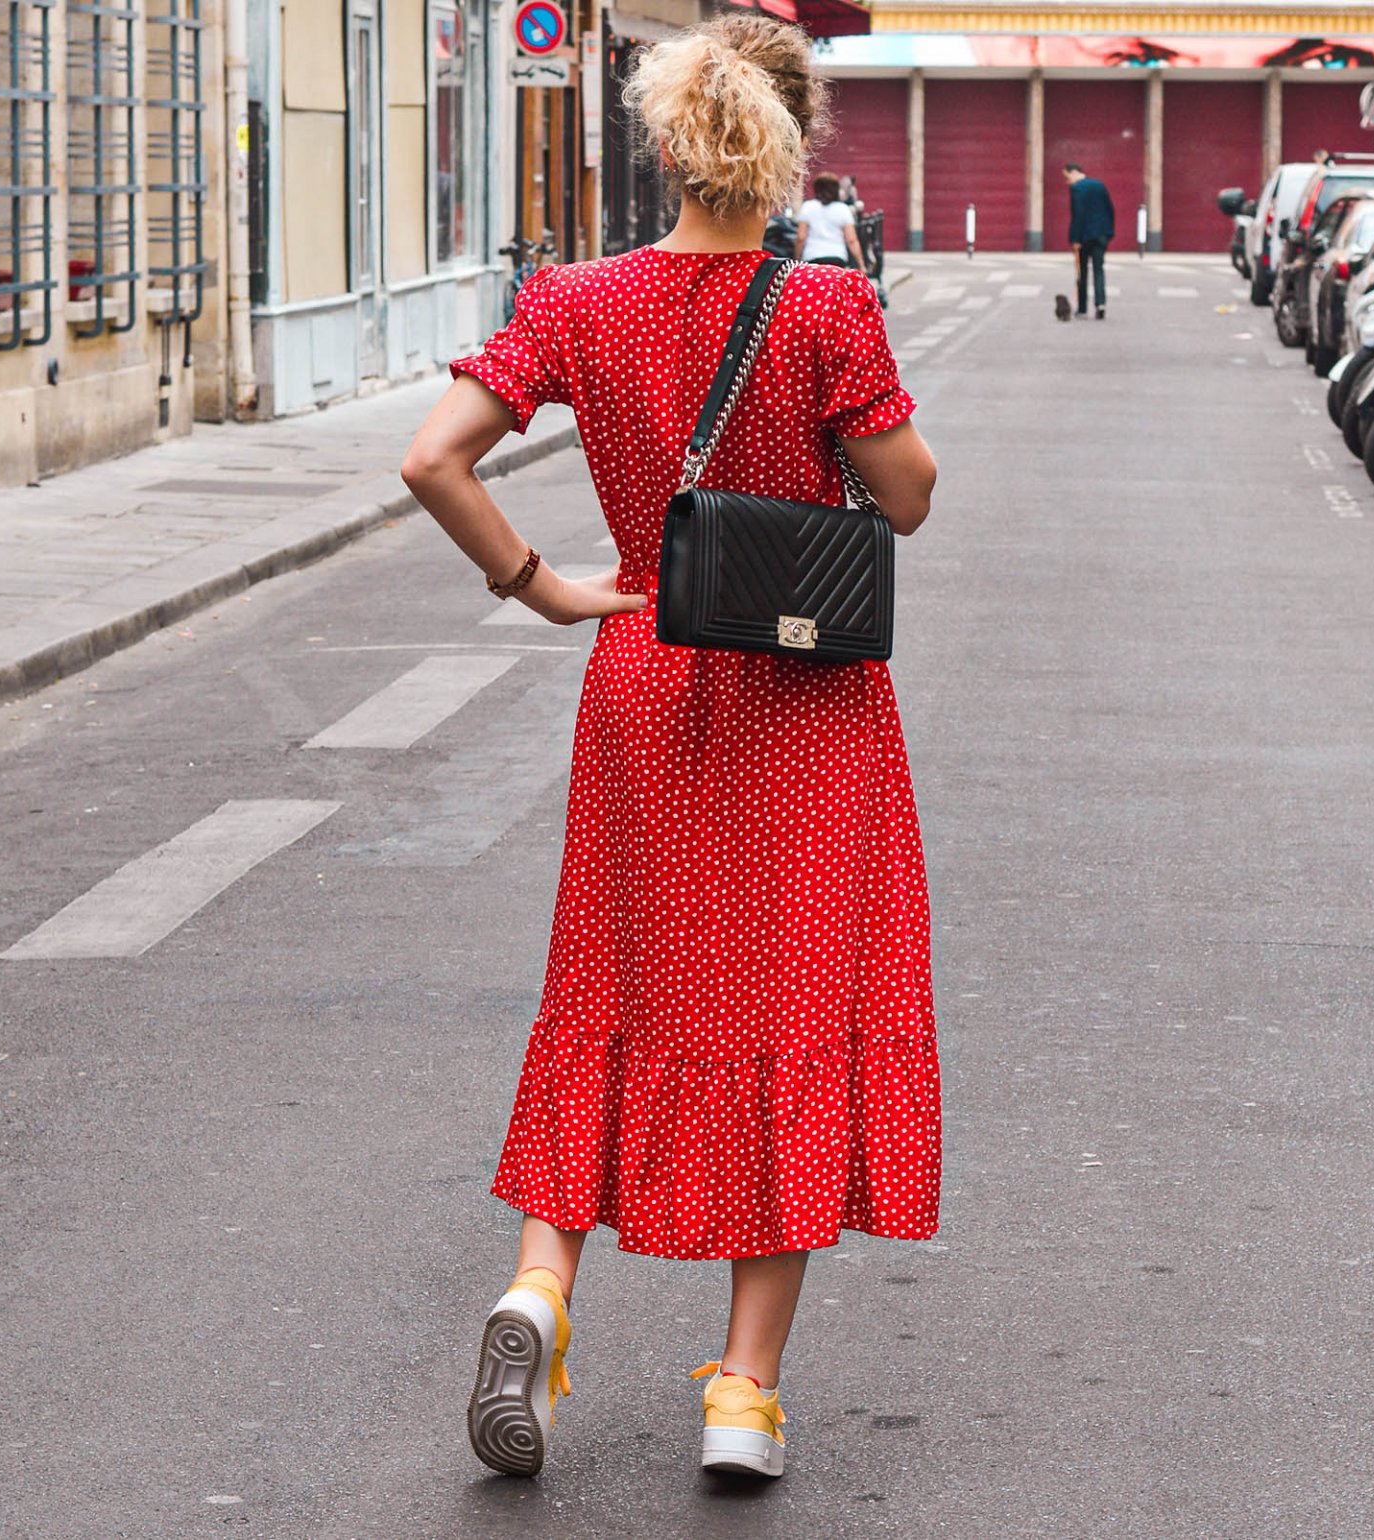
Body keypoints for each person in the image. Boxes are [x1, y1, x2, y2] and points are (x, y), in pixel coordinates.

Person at [401, 13, 940, 1484]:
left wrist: (543, 583)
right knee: (790, 1017)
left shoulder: (575, 300)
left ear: (664, 140)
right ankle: (742, 1399)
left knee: (611, 991)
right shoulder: (825, 311)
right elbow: (907, 498)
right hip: (803, 704)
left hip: (643, 682)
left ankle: (542, 1288)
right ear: (791, 145)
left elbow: (432, 457)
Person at [1063, 162, 1115, 318]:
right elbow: (1110, 209)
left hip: (1085, 236)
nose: (1067, 182)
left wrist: (1075, 239)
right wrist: (1108, 232)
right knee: (1099, 269)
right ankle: (1100, 305)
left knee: (1082, 272)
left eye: (1067, 177)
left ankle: (1082, 308)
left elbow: (1078, 215)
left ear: (1074, 172)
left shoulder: (1077, 188)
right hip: (1101, 235)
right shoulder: (1100, 185)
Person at [796, 170, 865, 270]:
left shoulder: (808, 207)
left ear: (816, 188)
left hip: (812, 258)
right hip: (837, 259)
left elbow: (801, 237)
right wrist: (861, 265)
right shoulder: (843, 209)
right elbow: (851, 240)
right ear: (836, 189)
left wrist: (797, 259)